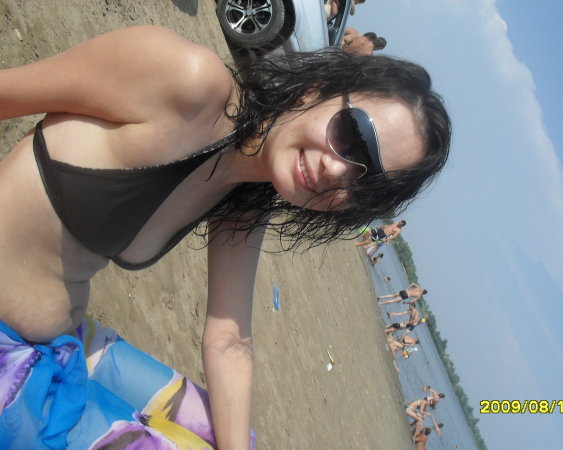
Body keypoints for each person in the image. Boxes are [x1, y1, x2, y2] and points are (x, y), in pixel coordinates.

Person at [0, 25, 451, 448]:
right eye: (353, 134)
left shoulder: (244, 197)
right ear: (320, 89)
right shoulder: (187, 82)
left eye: (367, 183)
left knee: (225, 432)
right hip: (11, 353)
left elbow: (229, 341)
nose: (337, 169)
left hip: (61, 343)